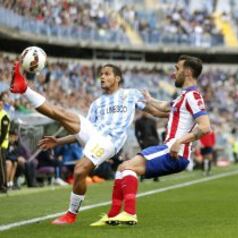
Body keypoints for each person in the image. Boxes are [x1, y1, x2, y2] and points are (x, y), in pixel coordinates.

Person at [10, 61, 167, 224]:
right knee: (63, 114)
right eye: (101, 74)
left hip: (109, 141)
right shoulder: (96, 104)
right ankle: (24, 88)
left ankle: (71, 214)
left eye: (107, 74)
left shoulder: (131, 94)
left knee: (79, 171)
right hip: (94, 135)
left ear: (117, 78)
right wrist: (58, 141)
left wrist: (176, 115)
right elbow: (81, 133)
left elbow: (155, 111)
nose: (102, 77)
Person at [90, 55, 211, 226]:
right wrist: (149, 99)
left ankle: (130, 213)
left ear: (188, 72)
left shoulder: (193, 96)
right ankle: (113, 216)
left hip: (174, 152)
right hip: (169, 149)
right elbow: (164, 106)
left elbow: (205, 127)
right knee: (121, 169)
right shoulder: (183, 97)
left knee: (127, 167)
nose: (173, 73)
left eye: (177, 69)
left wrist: (180, 142)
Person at [135, 111, 160, 182]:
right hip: (144, 143)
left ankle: (156, 176)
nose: (145, 113)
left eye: (146, 111)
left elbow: (155, 132)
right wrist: (140, 142)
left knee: (154, 159)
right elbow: (136, 133)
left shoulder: (152, 121)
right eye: (143, 111)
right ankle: (143, 176)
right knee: (144, 160)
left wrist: (157, 141)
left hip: (153, 142)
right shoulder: (138, 121)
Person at [0, 93, 10, 193]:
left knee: (1, 165)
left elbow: (3, 133)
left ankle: (3, 185)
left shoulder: (4, 116)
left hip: (2, 145)